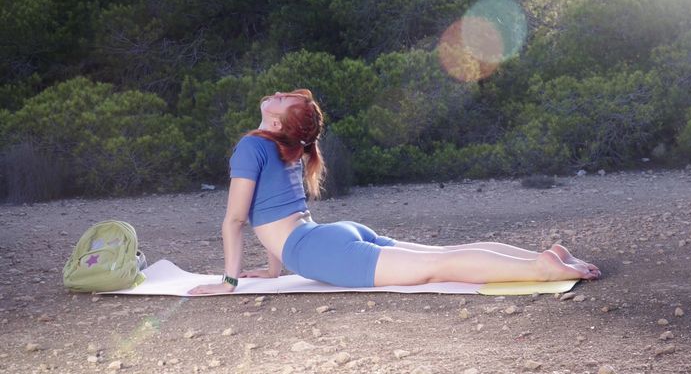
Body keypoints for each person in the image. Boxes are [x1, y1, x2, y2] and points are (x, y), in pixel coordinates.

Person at [188, 89, 600, 294]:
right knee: (441, 256)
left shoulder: (252, 146)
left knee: (440, 267)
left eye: (281, 100)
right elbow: (277, 210)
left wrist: (228, 281)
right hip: (327, 237)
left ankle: (541, 267)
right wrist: (273, 271)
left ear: (275, 124)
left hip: (315, 248)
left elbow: (237, 219)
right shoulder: (286, 147)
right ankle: (543, 257)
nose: (276, 94)